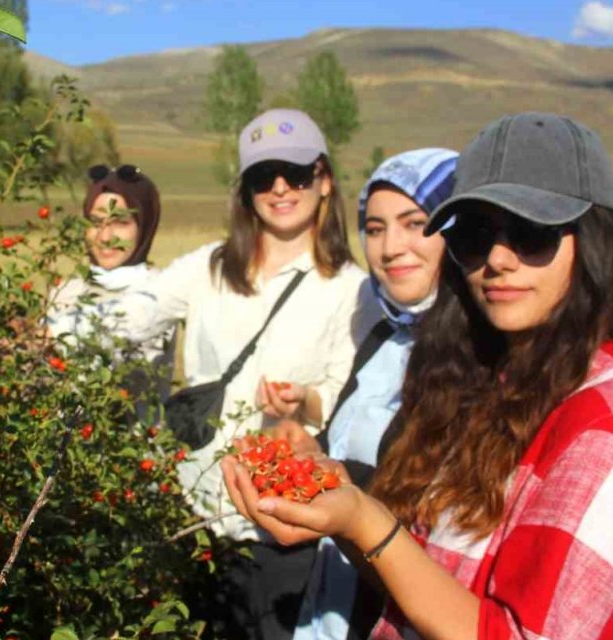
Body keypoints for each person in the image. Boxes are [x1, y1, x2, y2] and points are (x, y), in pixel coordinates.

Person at [222, 113, 613, 640]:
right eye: (476, 236)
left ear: (595, 242)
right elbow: (424, 592)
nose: (498, 260)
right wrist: (339, 501)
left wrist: (363, 520)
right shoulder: (492, 386)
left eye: (532, 232)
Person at [102, 109, 375, 639]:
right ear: (245, 189)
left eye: (294, 173)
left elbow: (350, 398)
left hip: (281, 535)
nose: (278, 188)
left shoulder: (351, 290)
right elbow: (128, 319)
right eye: (260, 175)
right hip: (189, 519)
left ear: (323, 180)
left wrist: (305, 403)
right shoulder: (208, 267)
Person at [287, 148, 458, 640]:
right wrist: (310, 451)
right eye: (377, 228)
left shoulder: (477, 361)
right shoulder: (383, 338)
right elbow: (357, 446)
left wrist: (339, 486)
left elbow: (430, 516)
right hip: (333, 601)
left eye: (416, 223)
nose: (389, 248)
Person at [45, 164, 172, 405]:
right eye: (96, 221)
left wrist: (52, 336)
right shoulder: (65, 292)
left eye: (120, 222)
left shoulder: (162, 289)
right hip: (65, 440)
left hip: (137, 441)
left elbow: (121, 335)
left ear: (145, 224)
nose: (104, 236)